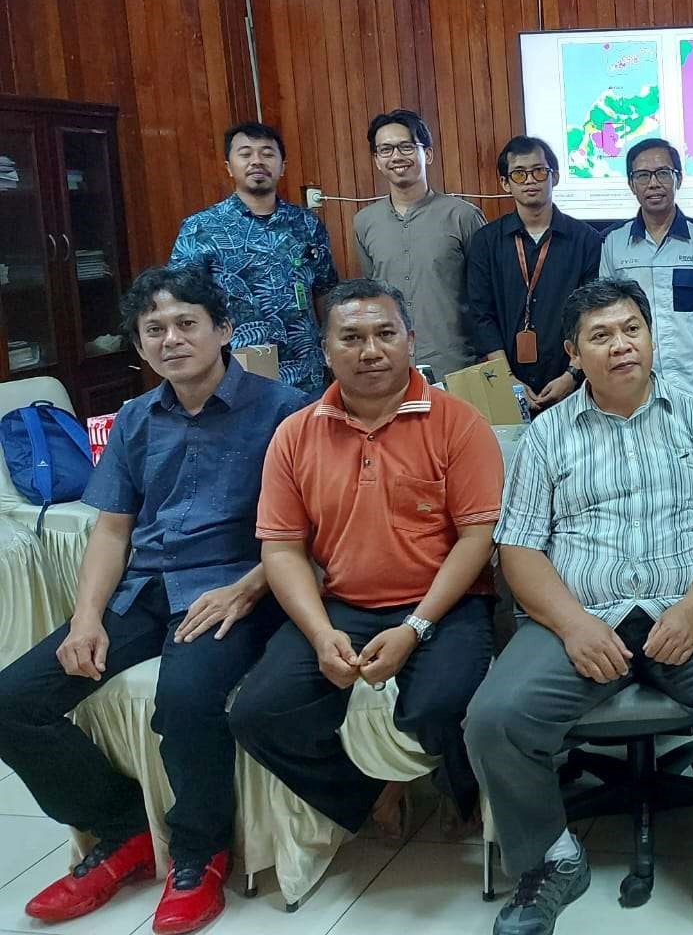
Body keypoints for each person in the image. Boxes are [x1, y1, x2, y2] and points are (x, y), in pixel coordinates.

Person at [465, 277, 693, 935]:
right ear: (573, 352)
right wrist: (572, 624)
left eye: (632, 330)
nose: (621, 346)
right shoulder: (547, 435)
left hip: (687, 608)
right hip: (580, 616)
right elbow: (520, 550)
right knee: (494, 718)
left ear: (651, 338)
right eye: (601, 335)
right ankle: (551, 860)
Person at [0, 266, 306, 934]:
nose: (172, 339)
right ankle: (120, 831)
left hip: (236, 589)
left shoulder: (286, 410)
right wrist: (84, 619)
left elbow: (314, 527)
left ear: (223, 331)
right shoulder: (137, 419)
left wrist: (254, 583)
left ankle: (199, 854)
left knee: (187, 700)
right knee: (13, 701)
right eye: (155, 330)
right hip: (147, 588)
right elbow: (113, 529)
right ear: (139, 346)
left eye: (187, 323)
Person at [228, 279, 502, 840]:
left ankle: (462, 792)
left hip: (444, 606)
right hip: (344, 605)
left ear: (410, 340)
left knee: (439, 706)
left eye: (385, 334)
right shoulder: (295, 434)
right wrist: (320, 632)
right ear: (327, 351)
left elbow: (479, 538)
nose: (371, 351)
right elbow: (281, 548)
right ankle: (366, 795)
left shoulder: (459, 422)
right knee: (258, 715)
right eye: (351, 338)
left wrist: (415, 628)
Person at [169, 120, 338, 392]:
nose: (257, 161)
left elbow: (325, 294)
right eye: (245, 153)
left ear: (283, 166)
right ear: (229, 167)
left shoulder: (307, 225)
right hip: (232, 376)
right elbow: (181, 303)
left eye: (267, 153)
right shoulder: (200, 228)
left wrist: (335, 357)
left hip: (307, 374)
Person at [598, 137, 693, 405]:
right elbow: (605, 316)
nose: (654, 183)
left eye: (663, 173)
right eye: (643, 175)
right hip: (634, 384)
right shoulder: (613, 243)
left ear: (679, 179)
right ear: (631, 184)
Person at [467, 135, 601, 408]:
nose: (530, 180)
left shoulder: (586, 239)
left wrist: (573, 374)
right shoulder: (486, 241)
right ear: (505, 183)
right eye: (519, 174)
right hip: (506, 382)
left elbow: (594, 314)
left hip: (574, 383)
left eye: (539, 171)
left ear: (556, 176)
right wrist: (507, 380)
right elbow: (481, 316)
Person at [354, 108, 486, 377]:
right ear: (377, 161)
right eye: (386, 150)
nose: (396, 157)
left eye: (405, 147)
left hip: (455, 363)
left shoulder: (462, 216)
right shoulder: (364, 222)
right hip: (391, 363)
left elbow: (485, 294)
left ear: (427, 154)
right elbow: (371, 291)